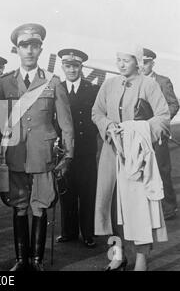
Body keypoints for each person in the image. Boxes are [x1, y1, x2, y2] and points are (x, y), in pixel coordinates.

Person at [0, 24, 74, 271]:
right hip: (15, 154)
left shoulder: (53, 82)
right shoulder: (6, 82)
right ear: (16, 49)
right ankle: (21, 259)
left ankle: (37, 260)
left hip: (43, 155)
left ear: (40, 49)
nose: (29, 51)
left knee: (40, 204)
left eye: (34, 46)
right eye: (24, 46)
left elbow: (66, 123)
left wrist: (68, 155)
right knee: (19, 205)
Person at [92, 46, 170, 271]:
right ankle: (118, 255)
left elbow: (163, 116)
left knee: (138, 209)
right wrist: (108, 126)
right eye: (118, 59)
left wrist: (137, 131)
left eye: (126, 60)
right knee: (111, 207)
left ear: (137, 61)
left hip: (136, 157)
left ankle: (142, 259)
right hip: (110, 153)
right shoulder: (109, 84)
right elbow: (96, 112)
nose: (121, 64)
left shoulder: (149, 85)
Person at [56, 49, 99, 248]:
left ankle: (88, 233)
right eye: (68, 66)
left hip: (87, 149)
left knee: (88, 191)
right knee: (66, 191)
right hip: (64, 150)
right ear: (63, 67)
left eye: (76, 66)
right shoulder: (58, 88)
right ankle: (68, 232)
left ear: (81, 67)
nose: (72, 70)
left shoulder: (92, 89)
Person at [143, 48, 179, 220]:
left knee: (162, 169)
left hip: (158, 134)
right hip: (140, 134)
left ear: (152, 63)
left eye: (146, 62)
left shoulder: (163, 82)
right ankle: (147, 206)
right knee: (142, 170)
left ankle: (169, 207)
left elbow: (173, 104)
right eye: (140, 62)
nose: (143, 66)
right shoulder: (134, 82)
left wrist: (161, 121)